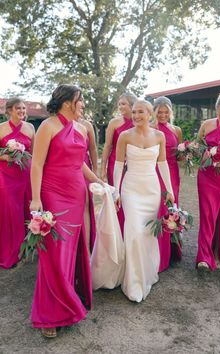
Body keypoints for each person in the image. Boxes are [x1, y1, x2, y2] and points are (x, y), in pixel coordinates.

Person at [30, 84, 102, 338]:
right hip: (52, 194)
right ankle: (49, 315)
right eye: (80, 100)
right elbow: (37, 164)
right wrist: (36, 199)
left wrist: (100, 183)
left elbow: (80, 165)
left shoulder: (82, 129)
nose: (83, 105)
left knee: (69, 251)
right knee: (53, 254)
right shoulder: (48, 126)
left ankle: (67, 300)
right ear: (69, 101)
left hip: (76, 196)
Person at [114, 99, 174, 302]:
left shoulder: (160, 136)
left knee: (148, 233)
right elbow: (118, 164)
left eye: (141, 112)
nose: (136, 116)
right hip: (131, 188)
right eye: (134, 112)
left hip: (152, 189)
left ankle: (147, 272)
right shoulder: (124, 136)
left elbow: (163, 163)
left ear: (150, 114)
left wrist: (170, 189)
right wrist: (116, 191)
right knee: (134, 232)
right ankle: (133, 282)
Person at [196, 91, 220, 270]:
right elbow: (197, 148)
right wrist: (204, 154)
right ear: (217, 108)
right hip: (207, 174)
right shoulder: (206, 124)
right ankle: (204, 257)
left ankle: (219, 253)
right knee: (207, 214)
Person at [0, 97, 35, 269]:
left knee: (26, 210)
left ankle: (25, 249)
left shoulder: (30, 128)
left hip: (26, 174)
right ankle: (10, 251)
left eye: (23, 108)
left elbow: (35, 153)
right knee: (10, 212)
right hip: (6, 175)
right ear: (9, 111)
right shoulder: (1, 129)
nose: (22, 111)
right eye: (18, 108)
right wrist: (5, 156)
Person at [152, 96, 183, 271]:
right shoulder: (149, 129)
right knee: (159, 209)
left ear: (170, 112)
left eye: (166, 112)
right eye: (159, 112)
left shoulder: (176, 130)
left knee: (172, 209)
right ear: (154, 112)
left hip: (173, 174)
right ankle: (158, 251)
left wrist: (185, 153)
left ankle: (172, 249)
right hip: (155, 172)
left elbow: (178, 156)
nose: (163, 115)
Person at [101, 92, 137, 234]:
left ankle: (130, 232)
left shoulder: (139, 122)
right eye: (119, 104)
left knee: (131, 199)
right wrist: (103, 168)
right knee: (117, 197)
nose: (120, 107)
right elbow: (108, 146)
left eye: (123, 104)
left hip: (134, 166)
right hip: (115, 165)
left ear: (132, 105)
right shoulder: (114, 122)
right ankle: (118, 233)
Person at [80, 110, 98, 254]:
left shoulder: (87, 125)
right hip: (67, 167)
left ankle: (86, 246)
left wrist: (95, 170)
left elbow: (92, 148)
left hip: (85, 165)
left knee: (85, 202)